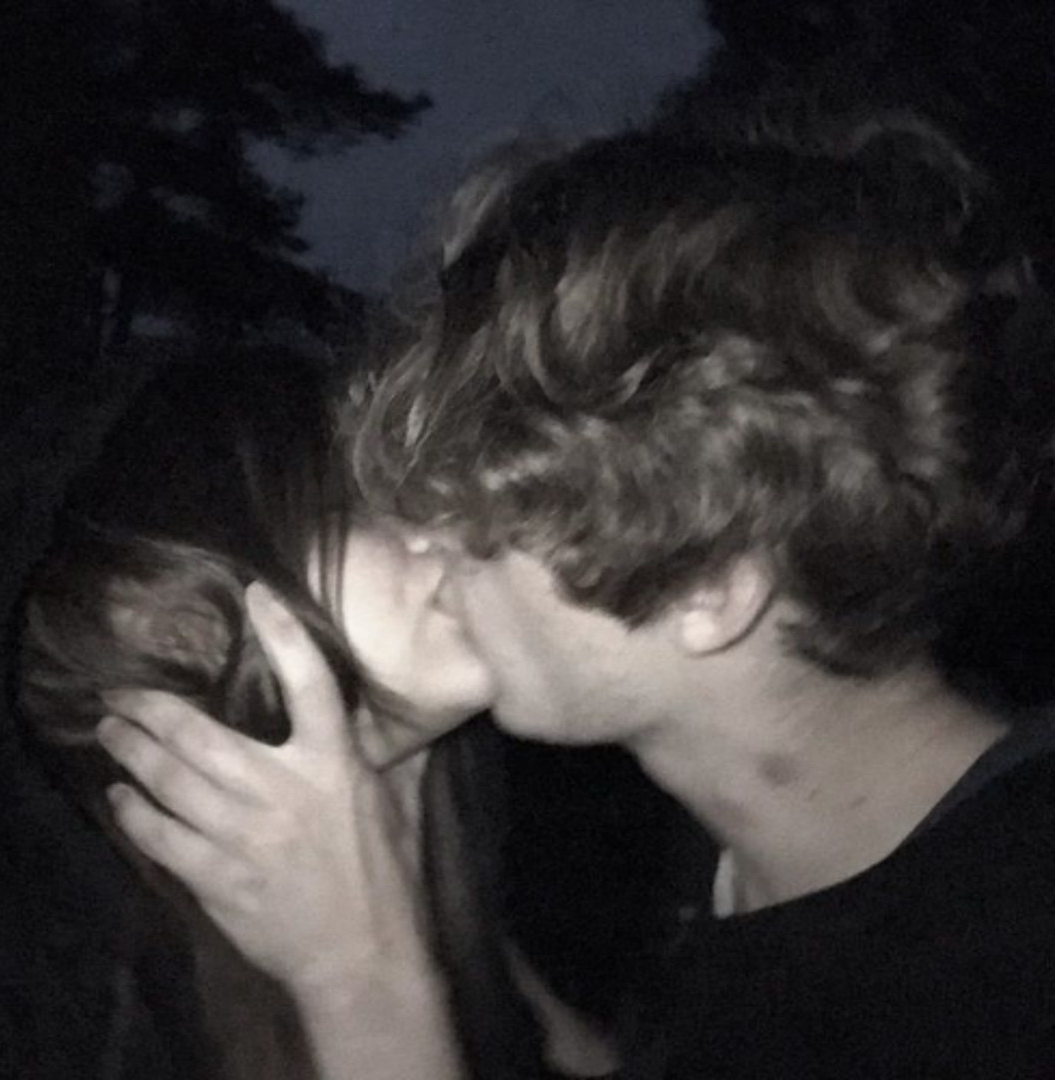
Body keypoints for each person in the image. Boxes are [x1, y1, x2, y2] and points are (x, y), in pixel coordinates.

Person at [345, 106, 1055, 1077]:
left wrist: (360, 979)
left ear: (709, 587)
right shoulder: (727, 853)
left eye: (484, 517)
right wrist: (420, 905)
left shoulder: (1011, 967)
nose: (422, 543)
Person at [18, 351, 648, 1080]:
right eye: (356, 506)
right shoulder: (74, 1006)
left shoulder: (455, 822)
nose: (450, 525)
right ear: (167, 623)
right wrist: (355, 981)